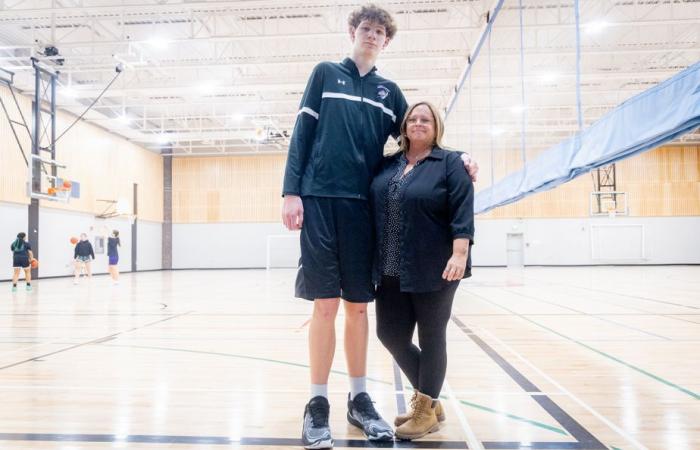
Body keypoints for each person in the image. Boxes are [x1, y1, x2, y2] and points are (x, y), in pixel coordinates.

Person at [281, 4, 478, 449]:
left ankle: (359, 398)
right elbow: (301, 136)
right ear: (352, 31)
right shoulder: (325, 74)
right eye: (365, 28)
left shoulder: (390, 92)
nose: (372, 35)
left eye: (379, 32)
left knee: (356, 308)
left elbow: (422, 135)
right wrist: (291, 191)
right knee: (325, 306)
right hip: (319, 201)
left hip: (362, 210)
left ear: (386, 41)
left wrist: (460, 157)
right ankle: (317, 404)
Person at [370, 101, 474, 440]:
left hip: (436, 265)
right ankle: (429, 401)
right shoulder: (387, 166)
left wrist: (460, 252)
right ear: (404, 127)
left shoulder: (451, 163)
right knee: (390, 334)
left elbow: (462, 208)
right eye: (412, 118)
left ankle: (425, 407)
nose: (417, 122)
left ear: (436, 126)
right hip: (389, 267)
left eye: (425, 119)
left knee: (432, 338)